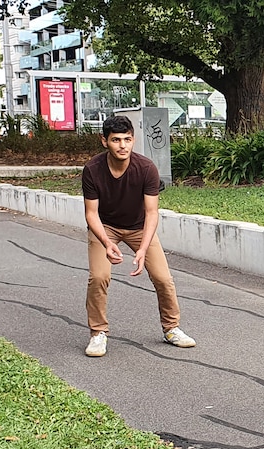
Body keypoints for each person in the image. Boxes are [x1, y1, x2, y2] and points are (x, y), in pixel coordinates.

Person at [82, 115, 196, 357]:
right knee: (99, 276)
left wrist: (143, 249)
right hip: (105, 227)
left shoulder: (146, 169)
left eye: (127, 139)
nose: (122, 145)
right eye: (116, 140)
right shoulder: (93, 169)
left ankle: (172, 328)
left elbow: (152, 213)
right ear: (104, 141)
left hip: (139, 228)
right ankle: (98, 333)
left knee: (163, 278)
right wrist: (106, 243)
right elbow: (91, 214)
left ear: (133, 140)